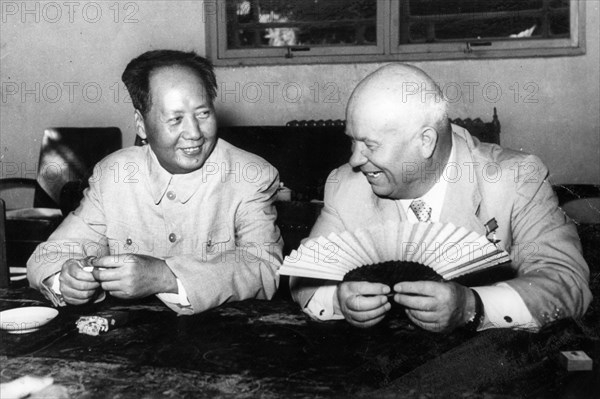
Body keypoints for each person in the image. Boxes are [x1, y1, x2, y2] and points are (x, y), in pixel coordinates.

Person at [290, 64, 591, 332]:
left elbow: (567, 284)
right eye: (352, 141)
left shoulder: (516, 180)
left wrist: (472, 307)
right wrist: (338, 300)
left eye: (370, 145)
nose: (355, 160)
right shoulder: (346, 185)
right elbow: (304, 277)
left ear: (425, 141)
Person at [27, 50, 283, 314]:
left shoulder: (250, 174)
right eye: (175, 119)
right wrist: (65, 280)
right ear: (141, 124)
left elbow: (264, 267)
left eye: (203, 114)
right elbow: (49, 255)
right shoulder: (115, 174)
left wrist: (166, 277)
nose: (194, 133)